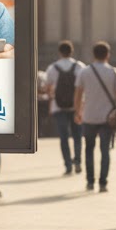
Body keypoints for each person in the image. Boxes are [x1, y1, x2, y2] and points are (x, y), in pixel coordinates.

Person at [74, 41, 116, 193]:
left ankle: (90, 181)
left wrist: (78, 112)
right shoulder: (114, 72)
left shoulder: (84, 72)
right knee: (105, 151)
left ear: (93, 54)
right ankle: (103, 183)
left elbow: (78, 94)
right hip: (107, 118)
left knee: (89, 149)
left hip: (89, 116)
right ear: (108, 54)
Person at [46, 41, 85, 177]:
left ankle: (68, 165)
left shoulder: (52, 68)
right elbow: (82, 87)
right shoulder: (79, 66)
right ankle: (78, 161)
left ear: (60, 52)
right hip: (75, 106)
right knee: (77, 136)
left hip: (58, 107)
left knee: (64, 138)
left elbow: (47, 87)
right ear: (72, 51)